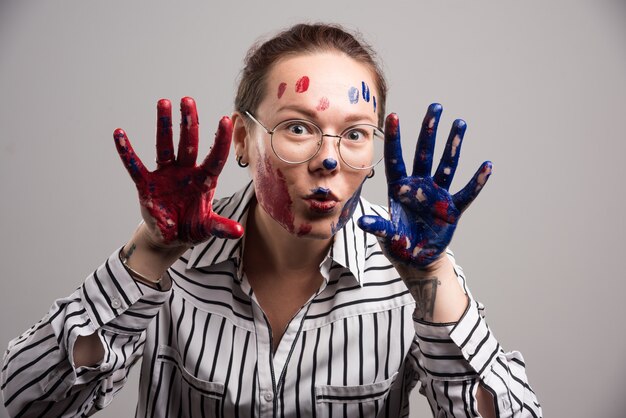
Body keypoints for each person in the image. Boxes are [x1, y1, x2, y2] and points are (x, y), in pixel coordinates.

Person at [1, 23, 542, 417]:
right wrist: (150, 252)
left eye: (354, 134)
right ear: (242, 138)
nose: (329, 160)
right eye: (299, 128)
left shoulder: (409, 273)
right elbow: (20, 405)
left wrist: (432, 277)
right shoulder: (177, 263)